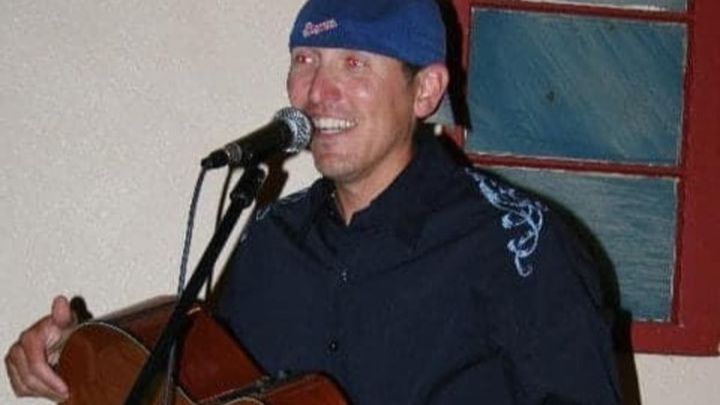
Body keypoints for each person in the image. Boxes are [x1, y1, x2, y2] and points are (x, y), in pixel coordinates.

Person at [5, 0, 621, 403]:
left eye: (353, 64)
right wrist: (73, 359)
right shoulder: (270, 238)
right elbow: (204, 386)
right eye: (306, 60)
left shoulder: (520, 246)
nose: (318, 92)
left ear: (426, 90)